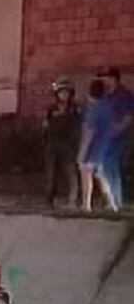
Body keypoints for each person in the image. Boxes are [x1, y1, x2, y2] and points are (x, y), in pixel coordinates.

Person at [79, 79, 118, 212]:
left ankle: (86, 205)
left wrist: (81, 154)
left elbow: (89, 133)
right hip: (105, 145)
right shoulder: (107, 106)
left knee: (86, 172)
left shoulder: (93, 110)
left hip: (94, 147)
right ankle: (111, 204)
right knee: (100, 174)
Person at [97, 66, 133, 209]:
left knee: (112, 169)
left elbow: (128, 119)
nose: (104, 81)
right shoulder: (106, 96)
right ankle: (111, 201)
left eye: (106, 78)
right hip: (105, 139)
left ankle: (116, 200)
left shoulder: (125, 95)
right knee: (105, 169)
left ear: (114, 78)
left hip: (119, 139)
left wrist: (113, 132)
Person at [43, 79, 81, 208]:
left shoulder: (74, 109)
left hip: (68, 146)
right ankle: (49, 200)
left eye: (66, 92)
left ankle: (73, 199)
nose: (64, 95)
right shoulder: (51, 109)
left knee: (71, 173)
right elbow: (46, 125)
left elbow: (78, 126)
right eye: (61, 92)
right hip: (52, 145)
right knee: (51, 174)